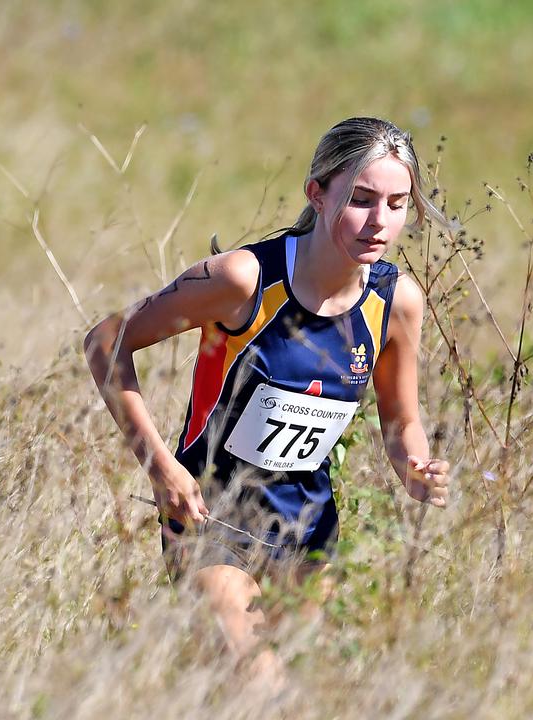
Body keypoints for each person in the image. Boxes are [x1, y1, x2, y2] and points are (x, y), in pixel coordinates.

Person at [84, 117, 452, 684]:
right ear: (317, 193)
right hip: (210, 515)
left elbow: (402, 421)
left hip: (309, 528)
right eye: (360, 199)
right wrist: (161, 467)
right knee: (261, 687)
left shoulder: (396, 300)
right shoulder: (244, 280)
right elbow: (106, 343)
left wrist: (417, 468)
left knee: (295, 690)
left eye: (398, 203)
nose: (380, 221)